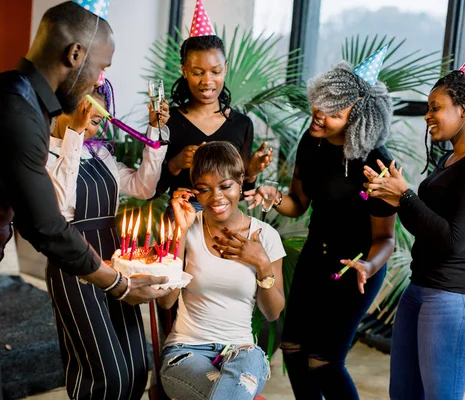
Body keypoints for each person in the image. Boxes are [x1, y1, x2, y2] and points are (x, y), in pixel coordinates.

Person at [0, 2, 168, 399]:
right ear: (75, 54)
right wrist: (118, 285)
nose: (99, 82)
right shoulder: (14, 111)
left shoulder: (7, 95)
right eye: (102, 68)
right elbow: (45, 226)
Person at [246, 47, 397, 399]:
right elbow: (298, 204)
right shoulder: (311, 142)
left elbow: (385, 240)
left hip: (355, 269)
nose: (319, 113)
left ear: (358, 116)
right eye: (320, 102)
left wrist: (368, 266)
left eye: (333, 110)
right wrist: (273, 196)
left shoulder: (376, 163)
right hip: (317, 256)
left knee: (325, 361)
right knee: (295, 348)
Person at [365, 53, 465, 399]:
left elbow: (453, 239)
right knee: (403, 394)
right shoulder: (450, 157)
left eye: (435, 107)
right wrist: (392, 195)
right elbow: (427, 224)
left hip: (457, 297)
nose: (427, 115)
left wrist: (405, 197)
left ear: (464, 108)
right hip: (422, 289)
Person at [45, 79, 170, 400]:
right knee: (105, 373)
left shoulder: (100, 153)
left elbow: (144, 187)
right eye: (84, 116)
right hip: (74, 264)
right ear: (62, 110)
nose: (90, 127)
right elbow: (61, 207)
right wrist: (73, 135)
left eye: (97, 120)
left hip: (116, 261)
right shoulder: (43, 155)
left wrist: (155, 134)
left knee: (138, 367)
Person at [157, 141, 286, 400]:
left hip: (243, 353)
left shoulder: (266, 236)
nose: (216, 197)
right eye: (204, 190)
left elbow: (272, 313)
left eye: (226, 186)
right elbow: (165, 301)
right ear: (194, 191)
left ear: (241, 182)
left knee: (235, 382)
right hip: (185, 352)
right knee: (233, 393)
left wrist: (262, 264)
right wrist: (179, 233)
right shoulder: (186, 228)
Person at [155, 0, 272, 212]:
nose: (207, 81)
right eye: (198, 72)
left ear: (225, 68)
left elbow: (243, 193)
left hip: (225, 223)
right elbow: (153, 190)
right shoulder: (168, 121)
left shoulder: (241, 124)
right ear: (184, 70)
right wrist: (176, 163)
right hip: (181, 220)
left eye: (215, 72)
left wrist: (252, 172)